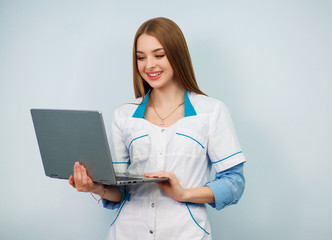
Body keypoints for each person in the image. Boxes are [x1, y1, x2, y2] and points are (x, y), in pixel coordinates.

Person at [69, 17, 246, 240]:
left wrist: (183, 193)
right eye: (141, 58)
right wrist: (94, 187)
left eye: (159, 55)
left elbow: (234, 183)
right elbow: (119, 190)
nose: (149, 65)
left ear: (177, 55)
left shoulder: (211, 112)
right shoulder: (124, 115)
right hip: (127, 233)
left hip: (185, 234)